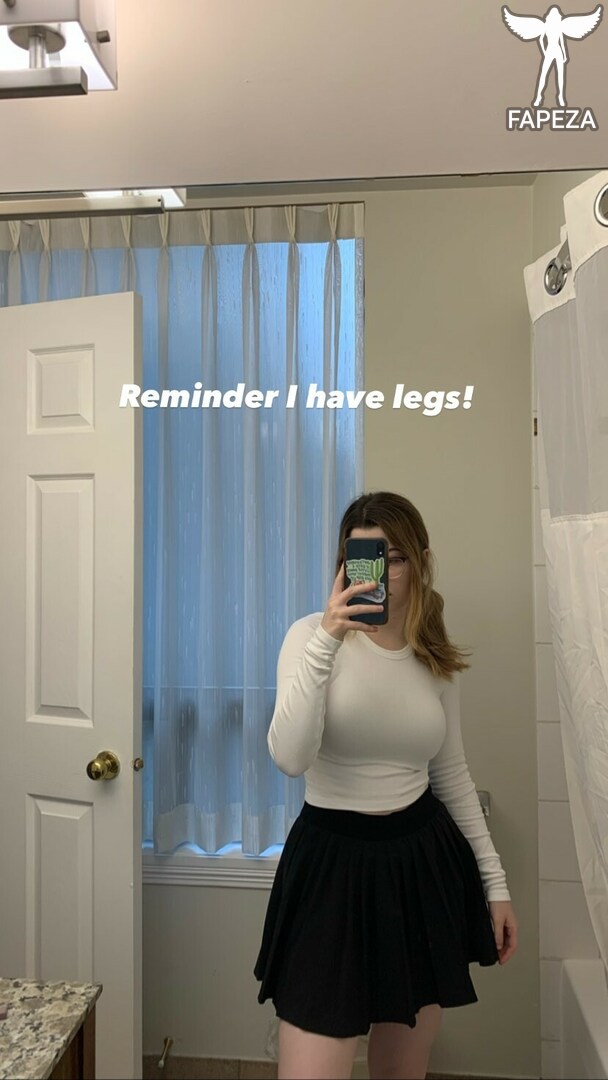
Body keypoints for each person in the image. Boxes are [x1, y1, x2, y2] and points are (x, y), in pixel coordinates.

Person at [253, 491, 519, 1080]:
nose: (383, 574)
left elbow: (451, 774)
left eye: (395, 558)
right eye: (367, 557)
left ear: (421, 562)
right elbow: (290, 758)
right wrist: (328, 638)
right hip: (330, 867)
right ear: (345, 564)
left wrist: (495, 885)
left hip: (419, 865)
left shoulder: (432, 655)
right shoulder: (308, 636)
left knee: (403, 1069)